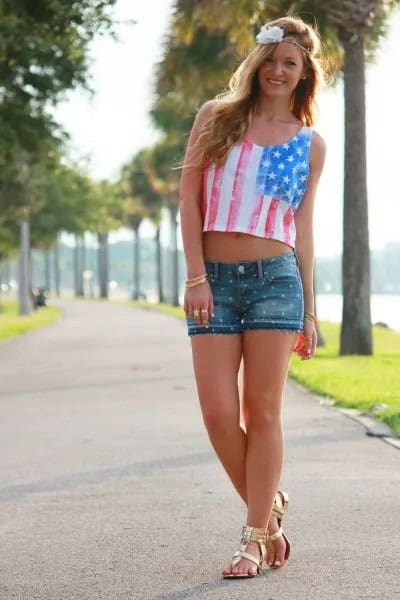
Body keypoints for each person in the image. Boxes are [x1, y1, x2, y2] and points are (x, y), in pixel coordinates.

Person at [179, 15, 326, 579]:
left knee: (261, 413)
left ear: (303, 73)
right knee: (219, 414)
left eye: (290, 63)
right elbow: (188, 201)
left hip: (277, 282)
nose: (278, 70)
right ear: (256, 64)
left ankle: (252, 538)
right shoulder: (215, 119)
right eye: (271, 59)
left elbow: (304, 230)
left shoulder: (310, 144)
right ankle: (272, 514)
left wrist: (310, 310)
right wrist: (197, 277)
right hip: (214, 281)